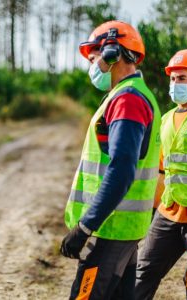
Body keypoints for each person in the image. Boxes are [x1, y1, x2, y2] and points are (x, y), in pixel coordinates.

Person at [60, 20, 161, 299]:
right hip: (121, 228)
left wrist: (85, 226)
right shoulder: (132, 95)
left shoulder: (128, 99)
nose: (92, 68)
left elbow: (121, 170)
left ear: (111, 54)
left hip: (110, 228)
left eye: (94, 60)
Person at [135, 49, 187, 300]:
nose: (175, 84)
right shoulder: (167, 119)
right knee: (142, 274)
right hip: (169, 211)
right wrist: (152, 210)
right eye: (172, 79)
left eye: (182, 78)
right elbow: (162, 169)